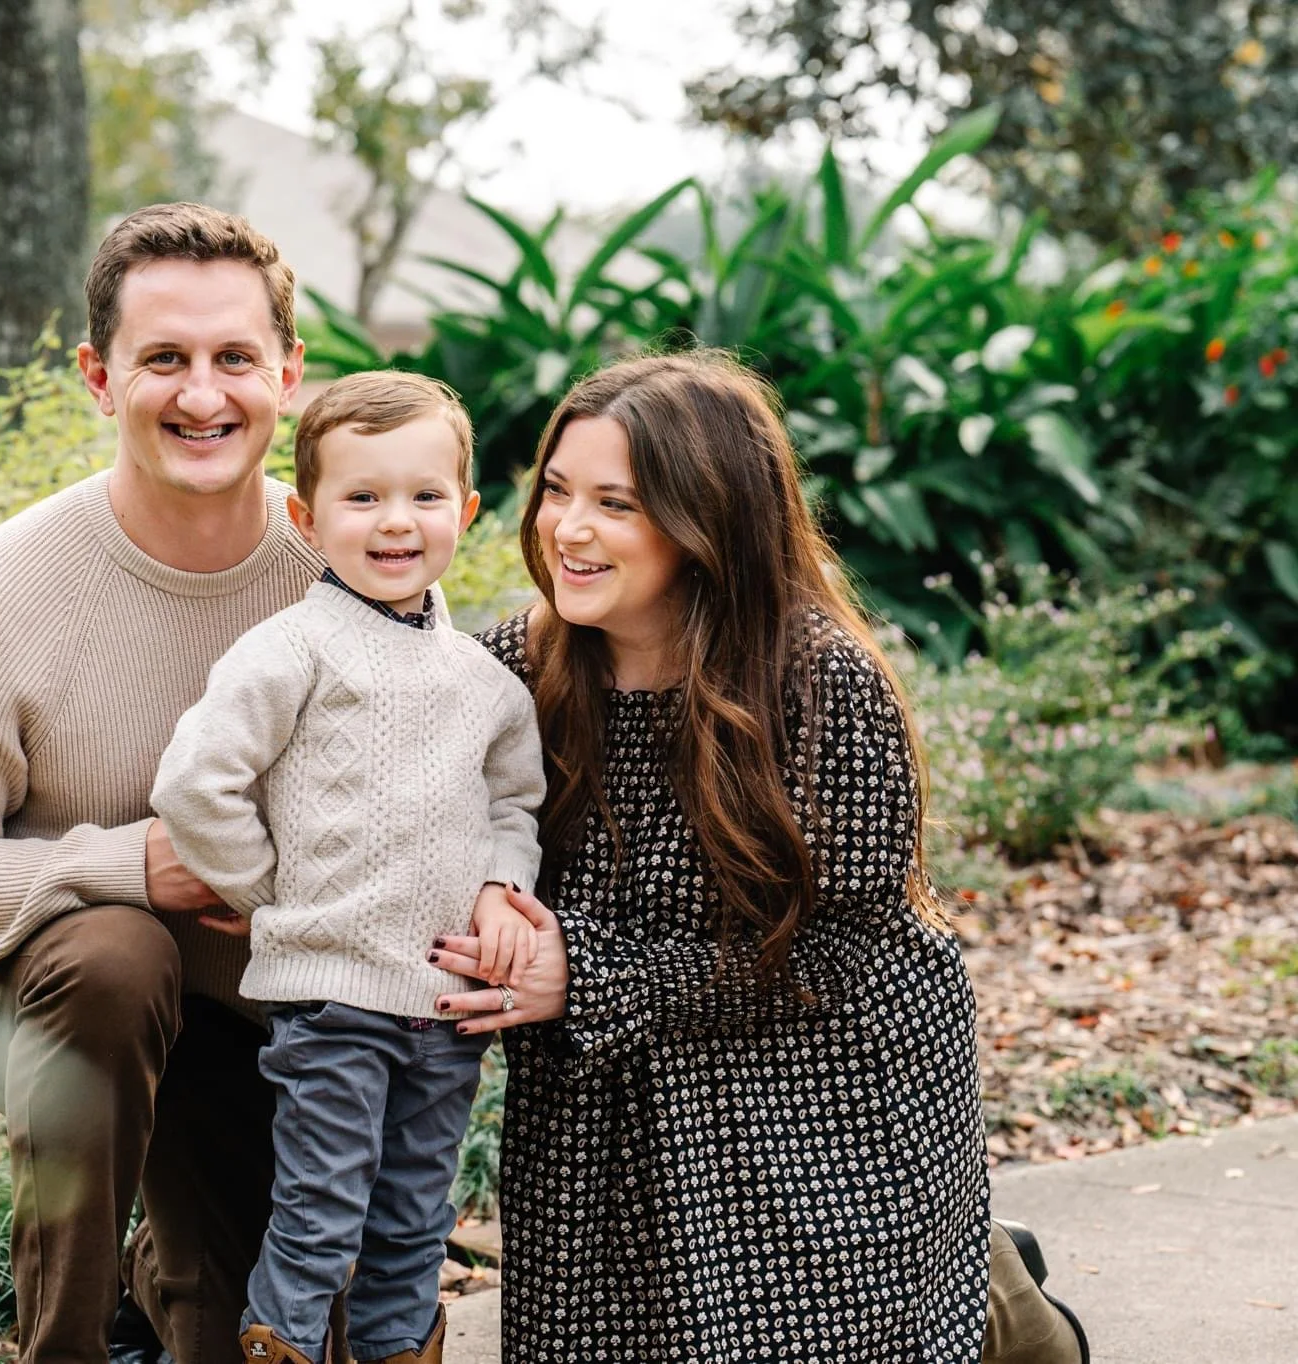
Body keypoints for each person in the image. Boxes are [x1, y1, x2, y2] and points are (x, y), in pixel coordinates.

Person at [427, 351, 1090, 1363]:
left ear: (707, 521)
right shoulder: (507, 671)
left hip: (816, 1080)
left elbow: (843, 956)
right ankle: (973, 1269)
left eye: (616, 502)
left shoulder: (821, 684)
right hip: (605, 1102)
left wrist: (593, 971)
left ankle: (1001, 1307)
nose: (566, 527)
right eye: (557, 489)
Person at [0, 202, 327, 1364]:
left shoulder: (344, 567)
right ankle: (62, 1341)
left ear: (289, 374)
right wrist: (130, 866)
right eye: (163, 358)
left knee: (262, 1341)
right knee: (121, 952)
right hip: (36, 988)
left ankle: (169, 1283)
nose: (201, 396)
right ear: (98, 377)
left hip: (255, 1010)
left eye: (232, 360)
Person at [150, 372, 544, 1364]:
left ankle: (396, 1349)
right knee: (322, 1201)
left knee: (414, 1211)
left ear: (465, 511)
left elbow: (513, 804)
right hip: (329, 994)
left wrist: (502, 885)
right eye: (360, 497)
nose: (393, 522)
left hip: (444, 1001)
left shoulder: (485, 684)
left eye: (421, 497)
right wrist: (266, 886)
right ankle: (277, 1342)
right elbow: (198, 782)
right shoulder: (290, 651)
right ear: (305, 515)